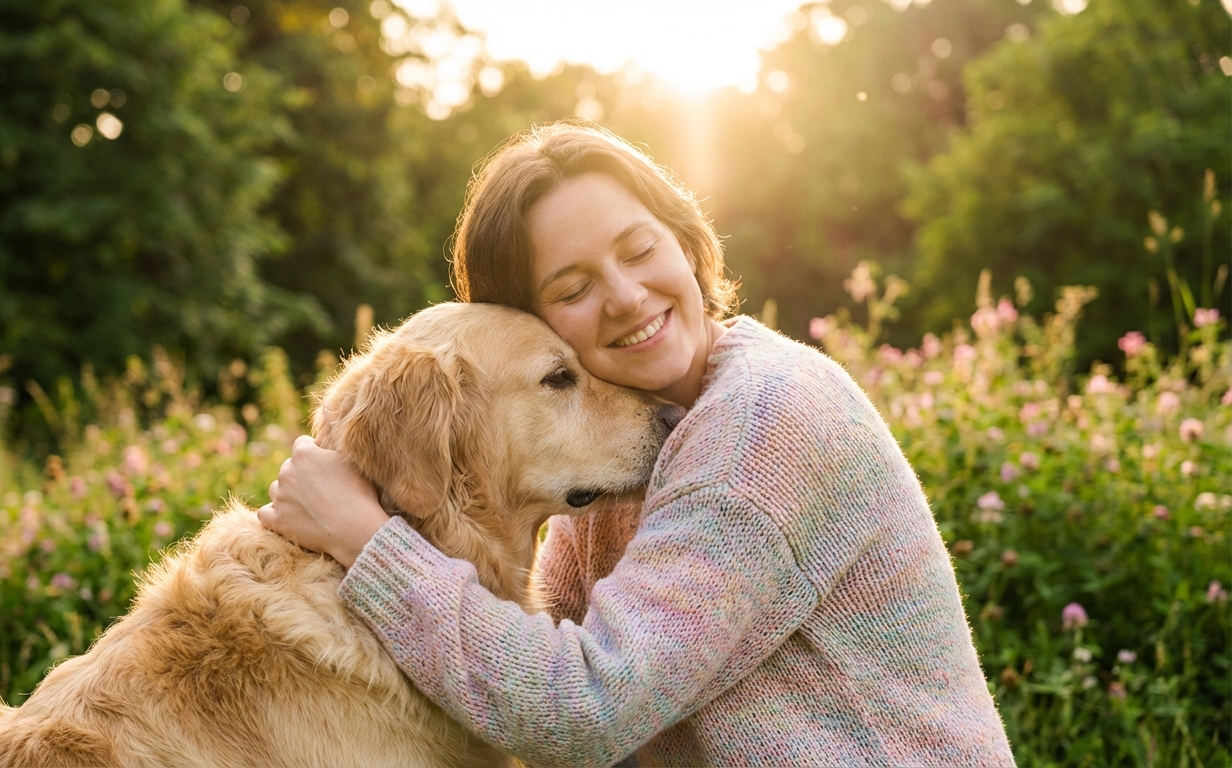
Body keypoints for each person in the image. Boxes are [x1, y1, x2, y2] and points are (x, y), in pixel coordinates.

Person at [258, 122, 1015, 767]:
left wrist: (368, 541)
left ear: (687, 243)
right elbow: (528, 644)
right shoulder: (619, 449)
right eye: (572, 287)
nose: (624, 296)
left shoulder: (762, 424)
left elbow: (586, 705)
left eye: (639, 248)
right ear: (534, 327)